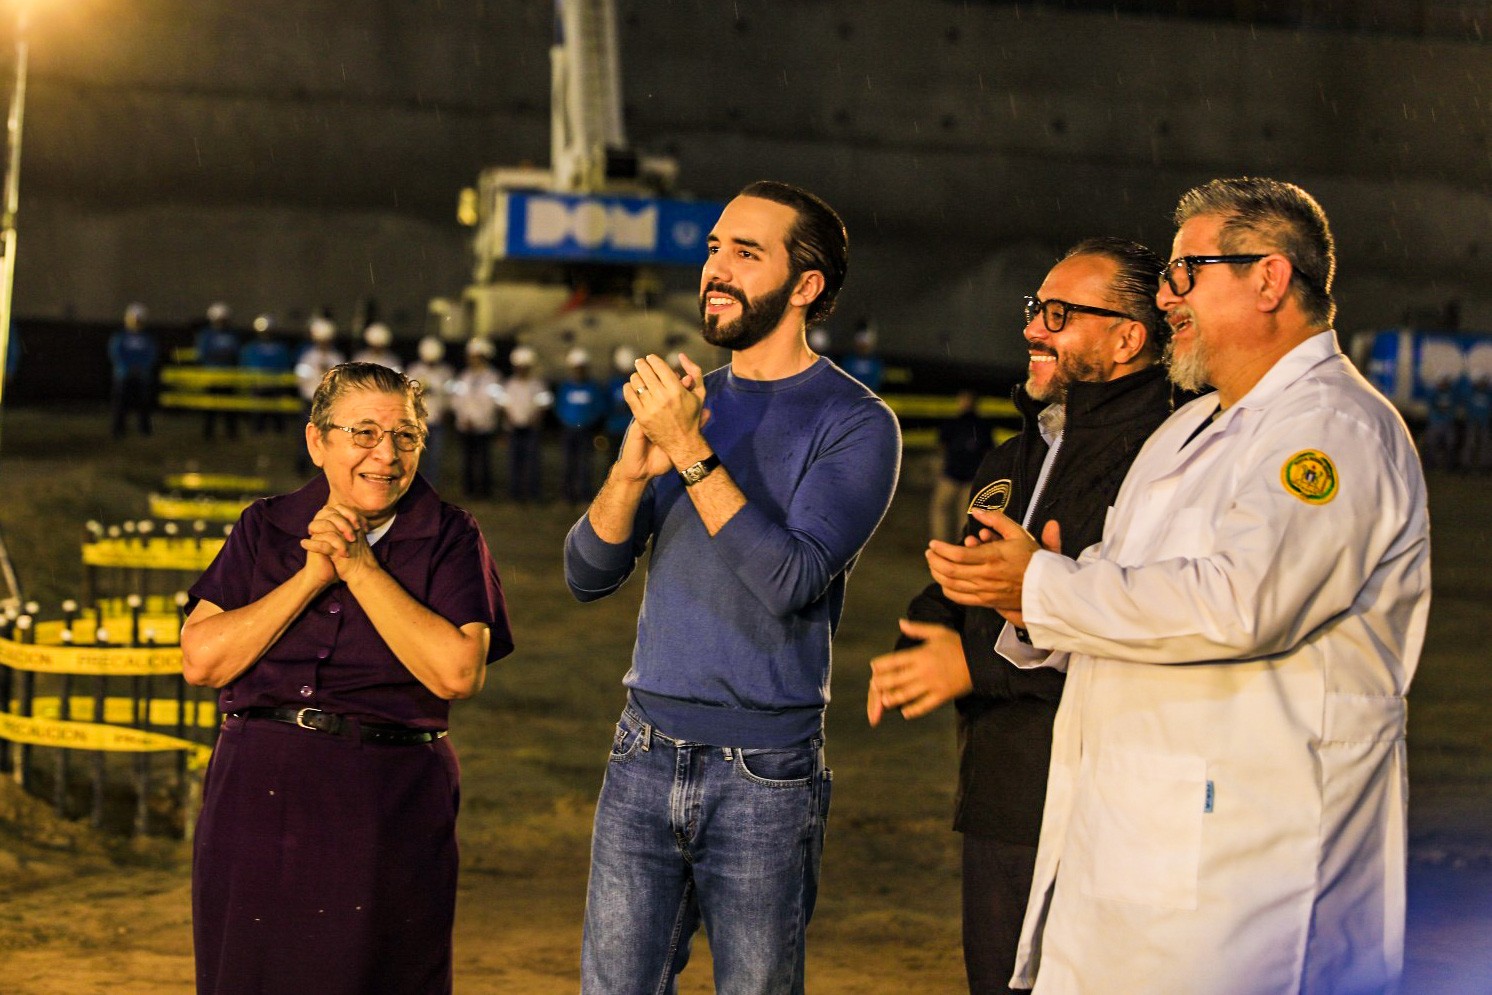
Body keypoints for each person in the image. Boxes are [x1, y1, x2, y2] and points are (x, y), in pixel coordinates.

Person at [929, 178, 1430, 994]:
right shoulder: (1191, 429)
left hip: (1250, 871)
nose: (1166, 298)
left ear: (1269, 278)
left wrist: (1049, 587)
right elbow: (1119, 584)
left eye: (1185, 272)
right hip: (1138, 851)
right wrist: (1027, 597)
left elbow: (1243, 603)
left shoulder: (1332, 428)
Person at [564, 180, 901, 994]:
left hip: (765, 772)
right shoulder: (693, 406)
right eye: (714, 248)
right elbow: (586, 574)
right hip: (642, 751)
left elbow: (789, 579)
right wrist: (629, 471)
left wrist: (688, 451)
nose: (715, 269)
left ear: (806, 284)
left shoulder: (856, 422)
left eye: (746, 253)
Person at [869, 237, 1175, 995]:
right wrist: (924, 632)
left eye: (1061, 313)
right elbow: (959, 584)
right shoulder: (1015, 455)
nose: (1034, 326)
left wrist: (973, 664)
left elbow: (1145, 625)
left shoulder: (1166, 462)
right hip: (1000, 792)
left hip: (1107, 804)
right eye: (1037, 307)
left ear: (1128, 338)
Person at [181, 362, 513, 994]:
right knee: (249, 973)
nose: (386, 456)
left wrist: (360, 568)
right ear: (317, 441)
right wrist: (310, 577)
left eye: (406, 436)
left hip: (386, 793)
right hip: (259, 786)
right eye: (364, 433)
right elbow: (201, 660)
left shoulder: (449, 535)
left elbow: (458, 672)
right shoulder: (265, 525)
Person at [927, 388, 995, 544]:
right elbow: (989, 451)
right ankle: (962, 544)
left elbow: (941, 447)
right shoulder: (983, 425)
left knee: (941, 509)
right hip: (972, 475)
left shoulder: (952, 423)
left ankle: (941, 543)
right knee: (965, 514)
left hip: (951, 473)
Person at [450, 337, 503, 499]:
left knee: (484, 459)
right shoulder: (464, 376)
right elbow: (457, 400)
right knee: (467, 459)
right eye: (471, 356)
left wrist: (478, 420)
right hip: (465, 425)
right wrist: (464, 418)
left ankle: (484, 490)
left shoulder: (493, 377)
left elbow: (493, 403)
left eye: (475, 356)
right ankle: (469, 489)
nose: (472, 359)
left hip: (484, 427)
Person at [555, 347, 608, 504]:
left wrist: (587, 421)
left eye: (581, 368)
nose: (578, 371)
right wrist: (568, 420)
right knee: (567, 463)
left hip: (586, 430)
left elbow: (599, 407)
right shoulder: (565, 387)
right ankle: (567, 495)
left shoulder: (593, 387)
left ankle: (585, 494)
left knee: (585, 464)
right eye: (576, 368)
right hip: (569, 430)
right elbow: (559, 407)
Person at [500, 345, 552, 503]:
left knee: (532, 461)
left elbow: (544, 405)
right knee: (514, 462)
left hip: (532, 428)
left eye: (524, 366)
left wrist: (536, 419)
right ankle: (514, 492)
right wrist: (510, 420)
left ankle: (533, 492)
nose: (521, 369)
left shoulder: (538, 385)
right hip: (514, 428)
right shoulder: (509, 384)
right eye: (519, 366)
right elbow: (504, 405)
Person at [406, 335, 455, 488]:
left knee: (435, 456)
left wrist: (447, 411)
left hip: (437, 420)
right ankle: (411, 484)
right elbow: (407, 393)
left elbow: (450, 395)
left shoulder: (446, 372)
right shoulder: (414, 370)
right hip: (417, 421)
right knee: (414, 454)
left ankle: (430, 486)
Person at [107, 302, 158, 438]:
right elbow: (116, 354)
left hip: (142, 375)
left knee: (144, 403)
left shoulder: (147, 338)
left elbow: (151, 354)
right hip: (123, 375)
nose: (136, 322)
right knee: (120, 404)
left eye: (139, 320)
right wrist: (128, 367)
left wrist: (141, 367)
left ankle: (144, 429)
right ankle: (118, 429)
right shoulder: (120, 337)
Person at [238, 314, 294, 434]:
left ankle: (277, 437)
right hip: (258, 388)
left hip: (275, 387)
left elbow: (285, 365)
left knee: (277, 417)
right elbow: (246, 366)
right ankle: (258, 436)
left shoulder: (280, 349)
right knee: (258, 418)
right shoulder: (250, 348)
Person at [195, 301, 240, 441]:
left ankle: (231, 432)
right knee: (210, 407)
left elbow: (235, 352)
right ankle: (208, 432)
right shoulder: (206, 335)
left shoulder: (232, 334)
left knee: (229, 407)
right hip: (211, 375)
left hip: (228, 375)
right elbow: (203, 353)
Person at [840, 318, 885, 391]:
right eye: (860, 342)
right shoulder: (848, 362)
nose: (863, 346)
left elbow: (875, 383)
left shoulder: (876, 363)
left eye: (866, 343)